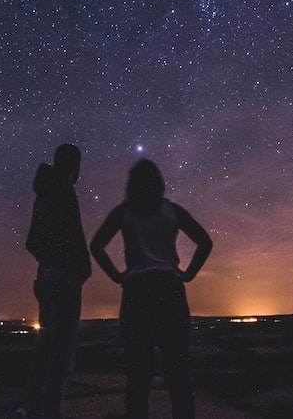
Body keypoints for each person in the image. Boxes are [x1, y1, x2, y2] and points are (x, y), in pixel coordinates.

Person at [90, 159, 213, 419]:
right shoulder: (173, 211)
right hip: (169, 290)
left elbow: (96, 245)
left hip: (137, 292)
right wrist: (188, 274)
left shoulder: (124, 212)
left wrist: (117, 276)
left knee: (138, 375)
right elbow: (204, 242)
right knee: (177, 374)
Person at [24, 143, 92, 419]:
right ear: (72, 165)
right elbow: (71, 237)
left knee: (45, 354)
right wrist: (79, 267)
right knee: (59, 360)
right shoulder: (63, 191)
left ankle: (34, 412)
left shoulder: (45, 191)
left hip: (48, 276)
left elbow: (34, 241)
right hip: (63, 279)